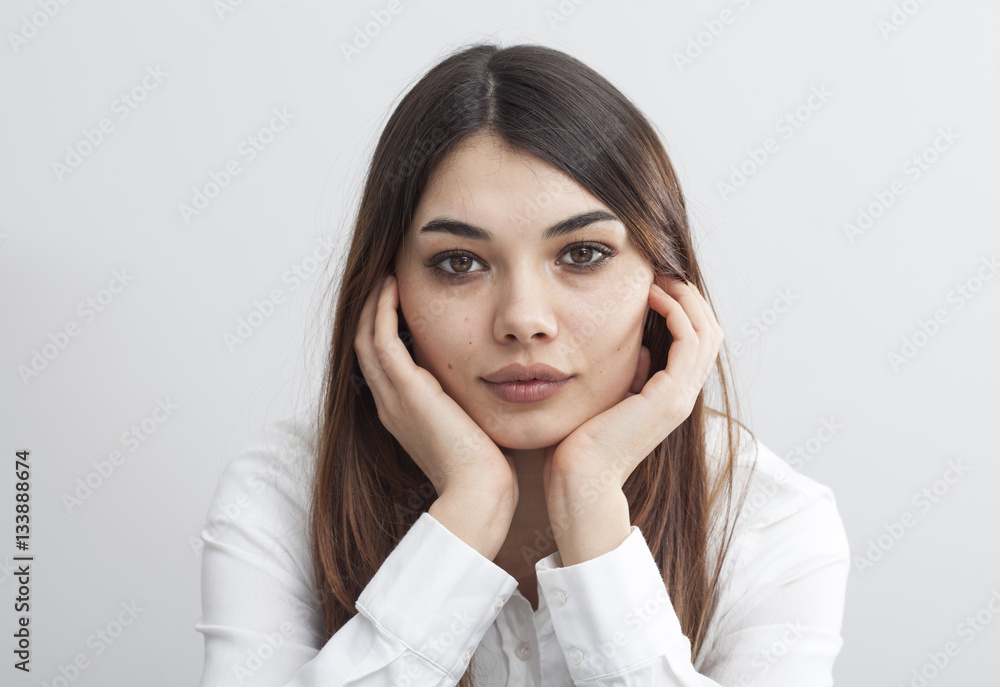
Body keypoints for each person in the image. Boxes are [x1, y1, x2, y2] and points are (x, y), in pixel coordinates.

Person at [195, 41, 850, 686]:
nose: (523, 318)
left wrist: (591, 500)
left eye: (584, 254)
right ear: (387, 292)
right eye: (460, 262)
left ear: (665, 280)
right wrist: (470, 507)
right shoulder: (282, 494)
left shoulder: (768, 520)